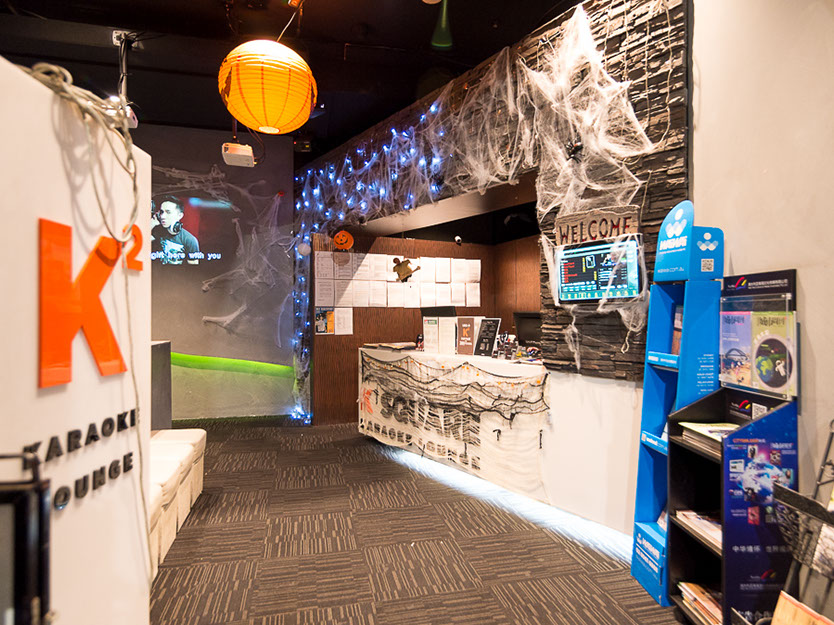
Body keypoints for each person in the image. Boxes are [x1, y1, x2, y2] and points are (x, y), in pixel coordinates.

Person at [151, 197, 200, 265]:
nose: (162, 216)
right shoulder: (158, 231)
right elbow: (142, 244)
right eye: (162, 212)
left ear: (179, 216)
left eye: (168, 212)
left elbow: (193, 268)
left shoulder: (190, 240)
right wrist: (152, 224)